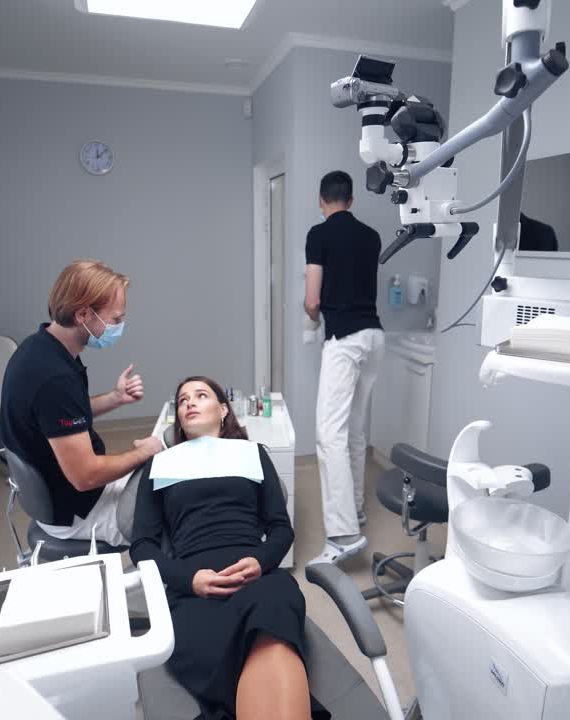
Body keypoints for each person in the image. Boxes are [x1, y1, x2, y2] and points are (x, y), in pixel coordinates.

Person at [132, 377, 325, 720]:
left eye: (201, 395)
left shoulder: (252, 455)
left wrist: (260, 560)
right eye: (182, 400)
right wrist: (189, 579)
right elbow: (142, 546)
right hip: (194, 591)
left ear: (223, 410)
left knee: (271, 620)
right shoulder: (160, 466)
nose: (189, 403)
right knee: (236, 652)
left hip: (258, 578)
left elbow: (281, 529)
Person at [0, 259, 164, 547]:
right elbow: (86, 476)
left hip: (70, 493)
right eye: (115, 319)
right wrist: (143, 452)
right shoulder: (53, 377)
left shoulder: (40, 347)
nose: (119, 326)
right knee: (181, 523)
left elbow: (60, 418)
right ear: (84, 314)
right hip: (80, 512)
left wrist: (115, 398)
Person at [304, 170, 384, 566]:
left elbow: (312, 301)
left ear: (322, 201)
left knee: (329, 435)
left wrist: (310, 318)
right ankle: (357, 510)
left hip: (344, 340)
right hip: (375, 337)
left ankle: (343, 533)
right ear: (350, 201)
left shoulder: (318, 235)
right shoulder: (371, 237)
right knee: (354, 430)